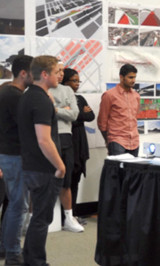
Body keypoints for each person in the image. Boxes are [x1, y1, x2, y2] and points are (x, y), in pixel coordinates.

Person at [17, 56, 66, 266]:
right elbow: (44, 140)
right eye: (57, 72)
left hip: (32, 166)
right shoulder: (39, 99)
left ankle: (31, 259)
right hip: (44, 169)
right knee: (41, 219)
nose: (60, 75)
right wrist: (60, 166)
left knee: (38, 218)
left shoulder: (31, 96)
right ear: (44, 74)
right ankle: (36, 262)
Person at [0, 55, 33, 264]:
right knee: (18, 205)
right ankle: (12, 252)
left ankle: (5, 247)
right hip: (14, 156)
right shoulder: (14, 96)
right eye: (34, 72)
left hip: (9, 154)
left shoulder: (5, 90)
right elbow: (28, 128)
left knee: (13, 204)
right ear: (23, 73)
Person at [49, 64, 83, 233]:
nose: (61, 74)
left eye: (62, 71)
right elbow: (42, 113)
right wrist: (64, 109)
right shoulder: (38, 91)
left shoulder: (67, 91)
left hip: (66, 137)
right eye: (58, 71)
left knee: (67, 181)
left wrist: (54, 109)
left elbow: (74, 114)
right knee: (43, 180)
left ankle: (69, 218)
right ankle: (34, 217)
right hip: (47, 137)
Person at [62, 68, 94, 222]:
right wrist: (80, 114)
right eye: (74, 81)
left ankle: (72, 214)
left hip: (81, 143)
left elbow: (91, 116)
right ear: (65, 82)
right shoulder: (62, 99)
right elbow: (72, 118)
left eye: (78, 81)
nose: (77, 84)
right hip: (68, 142)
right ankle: (64, 215)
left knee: (76, 180)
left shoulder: (79, 99)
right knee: (67, 180)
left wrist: (75, 114)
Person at [98, 64, 140, 156]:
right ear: (121, 77)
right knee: (118, 170)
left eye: (134, 77)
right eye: (130, 77)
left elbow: (134, 118)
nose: (133, 80)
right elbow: (102, 122)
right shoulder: (109, 95)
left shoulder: (136, 96)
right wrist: (108, 140)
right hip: (117, 140)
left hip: (134, 141)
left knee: (133, 170)